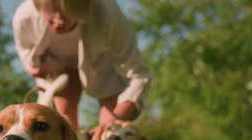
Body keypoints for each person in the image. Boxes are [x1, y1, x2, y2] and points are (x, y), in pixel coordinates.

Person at [12, 0, 150, 131]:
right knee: (63, 126)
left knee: (109, 132)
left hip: (104, 68)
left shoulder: (107, 14)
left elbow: (139, 75)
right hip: (58, 68)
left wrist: (116, 117)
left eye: (66, 17)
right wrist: (34, 68)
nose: (59, 22)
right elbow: (25, 50)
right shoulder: (24, 17)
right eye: (50, 19)